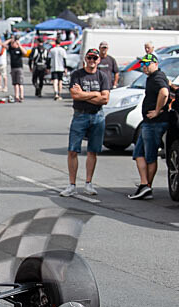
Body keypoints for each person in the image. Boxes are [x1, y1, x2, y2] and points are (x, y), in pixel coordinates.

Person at [60, 48, 110, 197]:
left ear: (98, 60)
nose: (92, 61)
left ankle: (88, 183)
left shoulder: (102, 76)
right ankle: (72, 185)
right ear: (85, 59)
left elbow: (105, 99)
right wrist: (95, 94)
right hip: (80, 115)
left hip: (97, 116)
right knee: (73, 150)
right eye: (89, 58)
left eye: (95, 58)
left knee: (92, 151)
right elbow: (75, 95)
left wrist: (85, 95)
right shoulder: (77, 75)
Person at [128, 54, 170, 200]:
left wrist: (158, 110)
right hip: (148, 123)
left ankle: (147, 186)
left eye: (147, 64)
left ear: (156, 63)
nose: (144, 67)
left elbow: (164, 92)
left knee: (150, 156)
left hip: (154, 124)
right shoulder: (153, 77)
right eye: (142, 65)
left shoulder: (157, 77)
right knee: (138, 153)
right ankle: (144, 185)